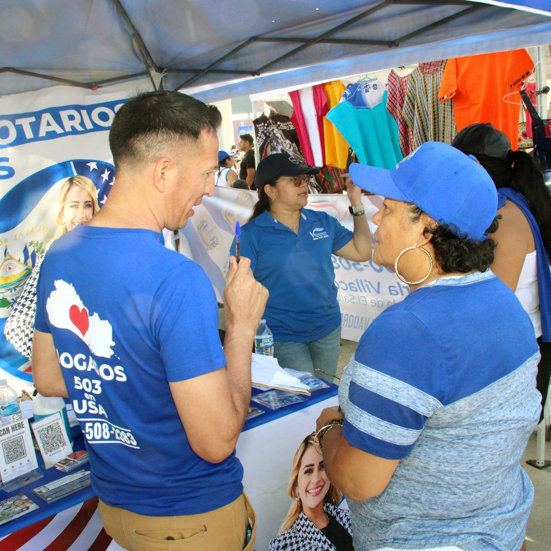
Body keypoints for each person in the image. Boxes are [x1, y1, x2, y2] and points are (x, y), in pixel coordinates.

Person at [33, 91, 268, 551]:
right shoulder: (175, 278)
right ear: (163, 172)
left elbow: (50, 376)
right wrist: (240, 327)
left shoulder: (60, 255)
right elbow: (217, 441)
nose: (207, 190)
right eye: (205, 174)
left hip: (117, 507)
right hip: (189, 518)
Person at [315, 142, 540, 550]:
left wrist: (329, 427)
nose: (377, 218)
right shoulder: (503, 302)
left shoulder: (408, 331)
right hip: (499, 530)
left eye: (388, 207)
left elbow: (357, 481)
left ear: (427, 226)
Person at [232, 153, 372, 380]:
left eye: (305, 180)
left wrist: (356, 203)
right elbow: (238, 292)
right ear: (270, 191)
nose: (304, 185)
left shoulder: (323, 222)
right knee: (303, 396)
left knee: (321, 396)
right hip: (281, 335)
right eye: (294, 180)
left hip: (327, 328)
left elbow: (362, 252)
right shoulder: (251, 235)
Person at [453, 123, 551, 420]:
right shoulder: (512, 202)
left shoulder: (503, 218)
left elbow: (494, 305)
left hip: (516, 351)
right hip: (519, 345)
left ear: (476, 166)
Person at [4, 175, 99, 360]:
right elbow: (16, 325)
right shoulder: (51, 257)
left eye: (88, 205)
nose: (82, 213)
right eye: (74, 205)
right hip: (71, 372)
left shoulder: (107, 253)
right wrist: (59, 359)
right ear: (62, 213)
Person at [268, 432, 353, 551]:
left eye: (322, 467)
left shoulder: (349, 518)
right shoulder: (284, 545)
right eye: (308, 471)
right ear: (296, 484)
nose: (316, 478)